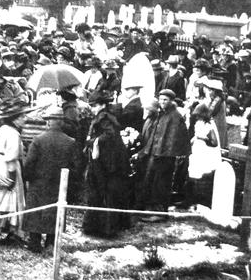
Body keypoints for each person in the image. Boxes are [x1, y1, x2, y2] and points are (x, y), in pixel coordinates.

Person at [23, 105, 78, 253]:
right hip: (59, 185)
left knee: (36, 212)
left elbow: (29, 164)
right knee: (54, 212)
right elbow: (74, 167)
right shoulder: (70, 142)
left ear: (48, 122)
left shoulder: (38, 140)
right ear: (62, 123)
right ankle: (50, 244)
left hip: (38, 183)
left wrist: (28, 178)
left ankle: (34, 242)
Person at [0, 99, 35, 243]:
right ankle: (13, 231)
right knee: (13, 198)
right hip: (7, 167)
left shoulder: (2, 130)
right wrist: (12, 177)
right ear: (15, 118)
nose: (25, 119)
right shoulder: (13, 134)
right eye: (22, 116)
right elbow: (11, 157)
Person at [82, 89, 131, 237]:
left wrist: (92, 141)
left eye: (95, 105)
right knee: (105, 192)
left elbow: (109, 134)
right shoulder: (105, 115)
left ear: (102, 105)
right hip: (109, 161)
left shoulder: (104, 117)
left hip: (107, 162)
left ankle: (105, 228)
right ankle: (103, 226)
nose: (93, 108)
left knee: (104, 192)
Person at [139, 89, 191, 221]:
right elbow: (156, 134)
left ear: (171, 101)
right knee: (152, 181)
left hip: (166, 157)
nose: (162, 102)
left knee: (162, 184)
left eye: (165, 100)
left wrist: (164, 153)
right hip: (155, 155)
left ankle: (160, 213)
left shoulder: (175, 116)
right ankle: (151, 209)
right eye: (161, 100)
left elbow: (173, 139)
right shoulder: (161, 114)